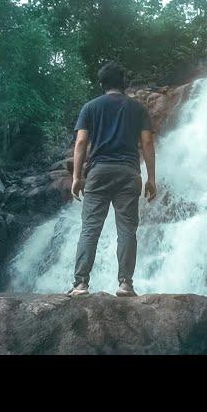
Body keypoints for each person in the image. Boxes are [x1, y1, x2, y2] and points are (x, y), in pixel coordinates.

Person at [68, 61, 157, 297]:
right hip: (129, 173)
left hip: (98, 172)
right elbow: (147, 143)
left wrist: (76, 177)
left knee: (90, 229)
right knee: (127, 229)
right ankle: (126, 284)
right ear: (124, 84)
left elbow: (81, 143)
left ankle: (80, 285)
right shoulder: (138, 109)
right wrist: (151, 178)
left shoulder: (90, 107)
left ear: (101, 84)